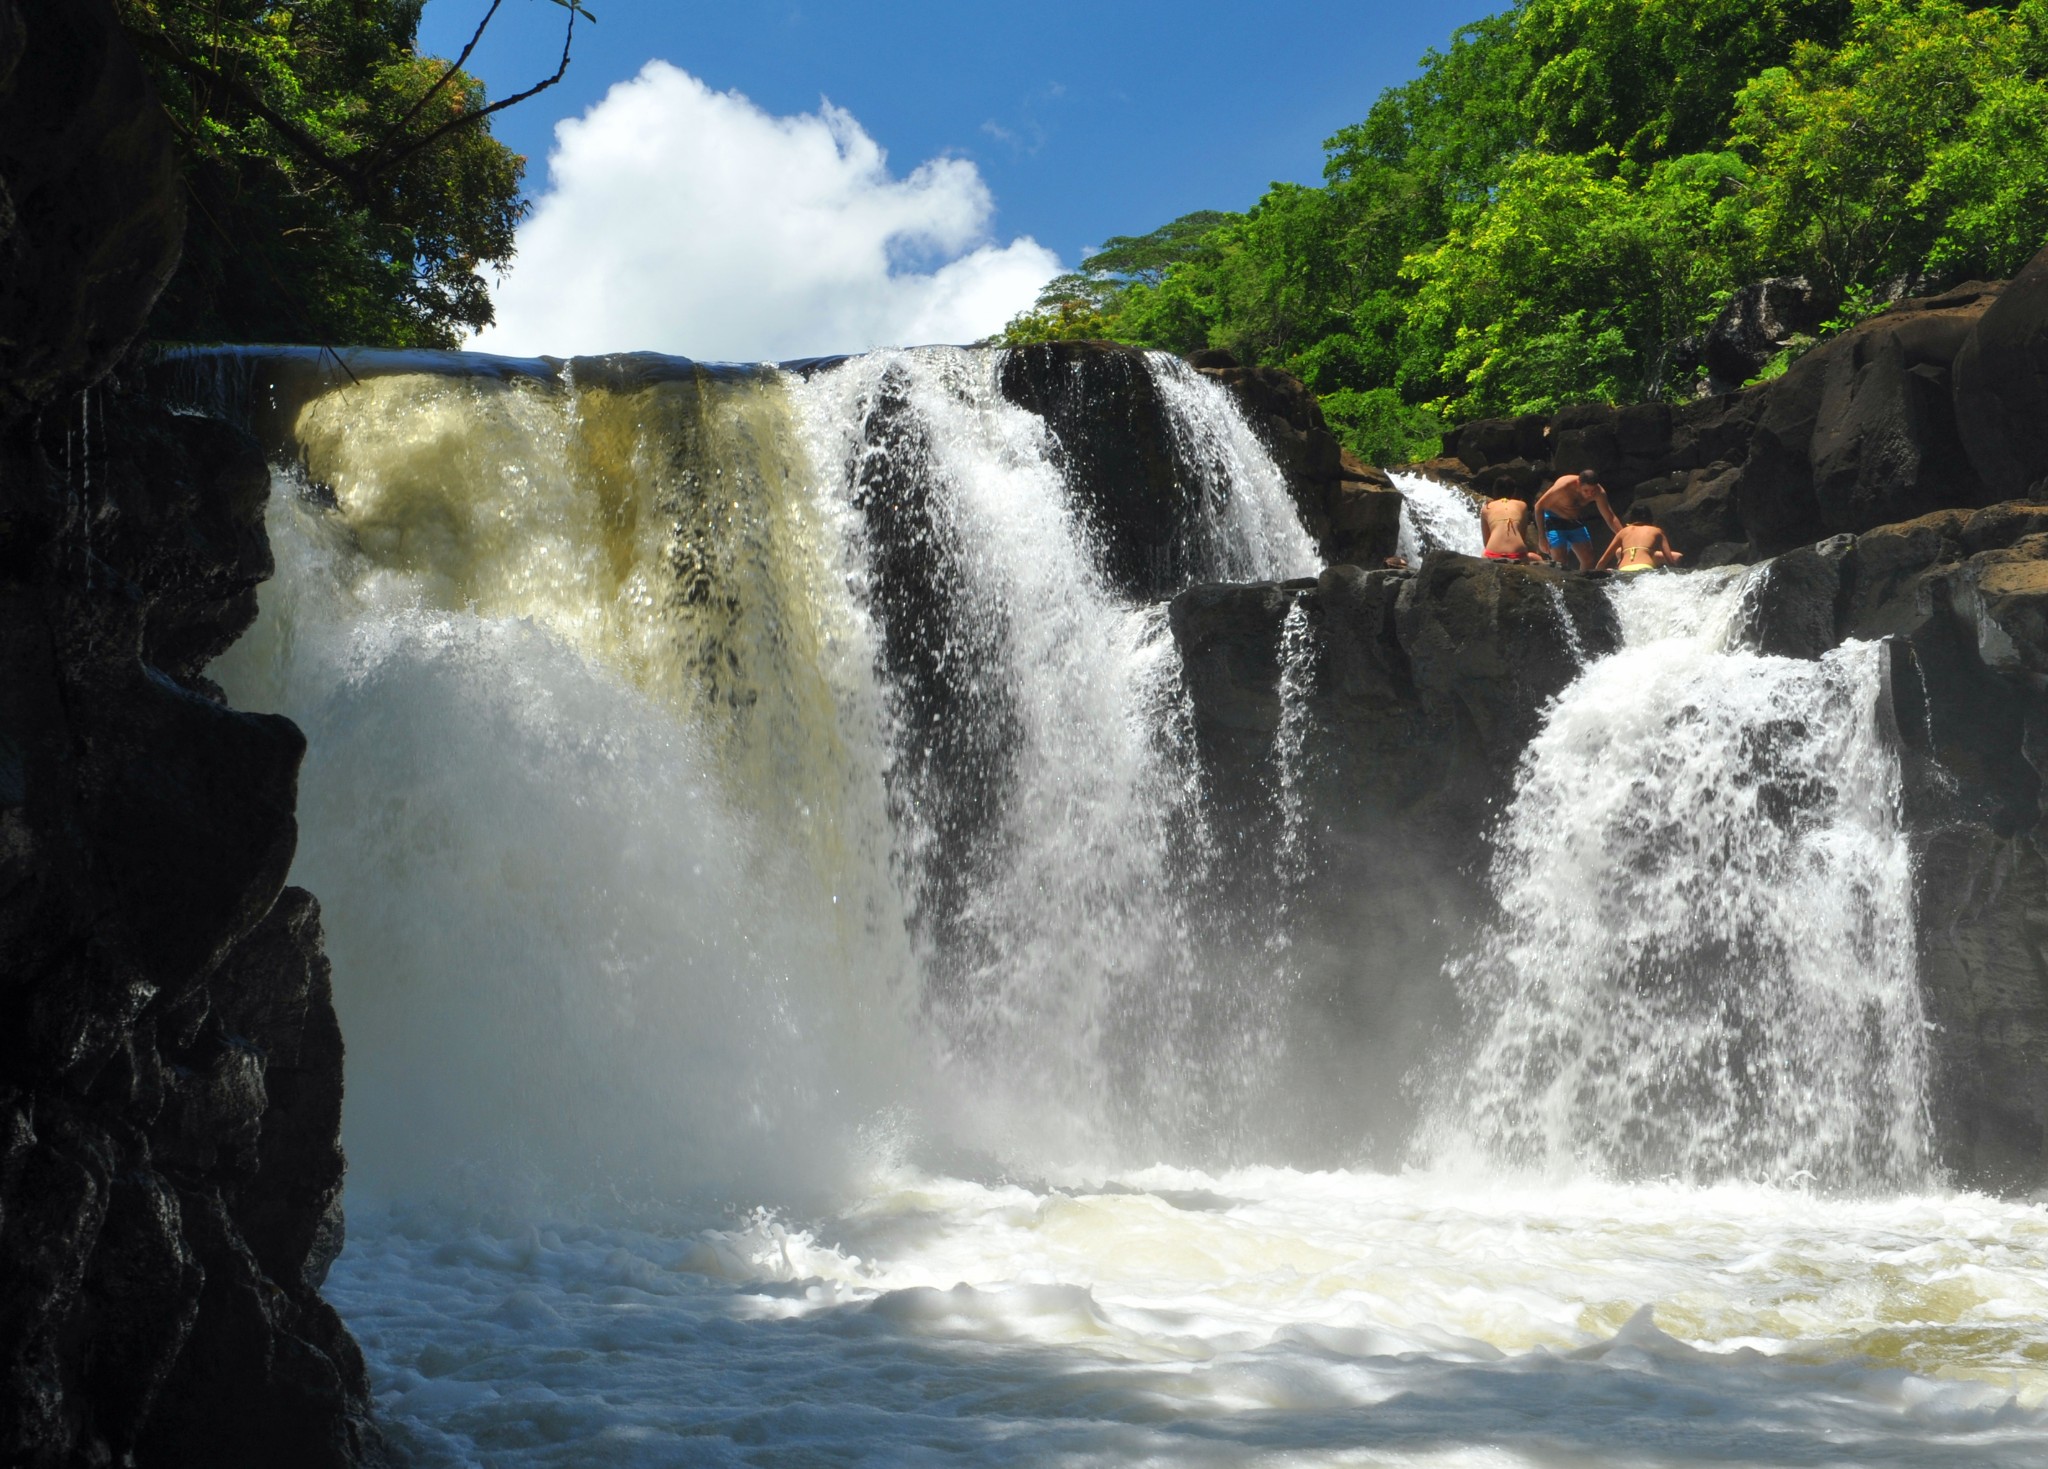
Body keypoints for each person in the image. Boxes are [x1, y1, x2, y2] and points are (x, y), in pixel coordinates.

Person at [1533, 468, 1621, 570]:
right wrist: (1542, 537)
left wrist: (1624, 536)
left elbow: (1610, 517)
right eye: (1586, 490)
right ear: (1578, 483)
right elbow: (1539, 506)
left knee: (1589, 558)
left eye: (1592, 490)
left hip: (1573, 520)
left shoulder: (1599, 492)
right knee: (1560, 560)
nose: (1590, 494)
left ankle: (1582, 583)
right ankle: (1561, 584)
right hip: (1553, 519)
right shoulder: (1563, 487)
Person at [1596, 502, 1685, 574]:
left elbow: (1602, 561)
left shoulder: (1623, 532)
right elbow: (1670, 560)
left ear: (1631, 518)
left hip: (1623, 570)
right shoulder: (1657, 531)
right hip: (1645, 568)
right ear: (1651, 518)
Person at [1479, 490, 1543, 562]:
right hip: (1517, 555)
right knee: (1536, 558)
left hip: (1492, 555)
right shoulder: (1522, 505)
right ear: (1514, 493)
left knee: (1483, 552)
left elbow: (1486, 543)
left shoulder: (1486, 508)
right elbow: (1522, 537)